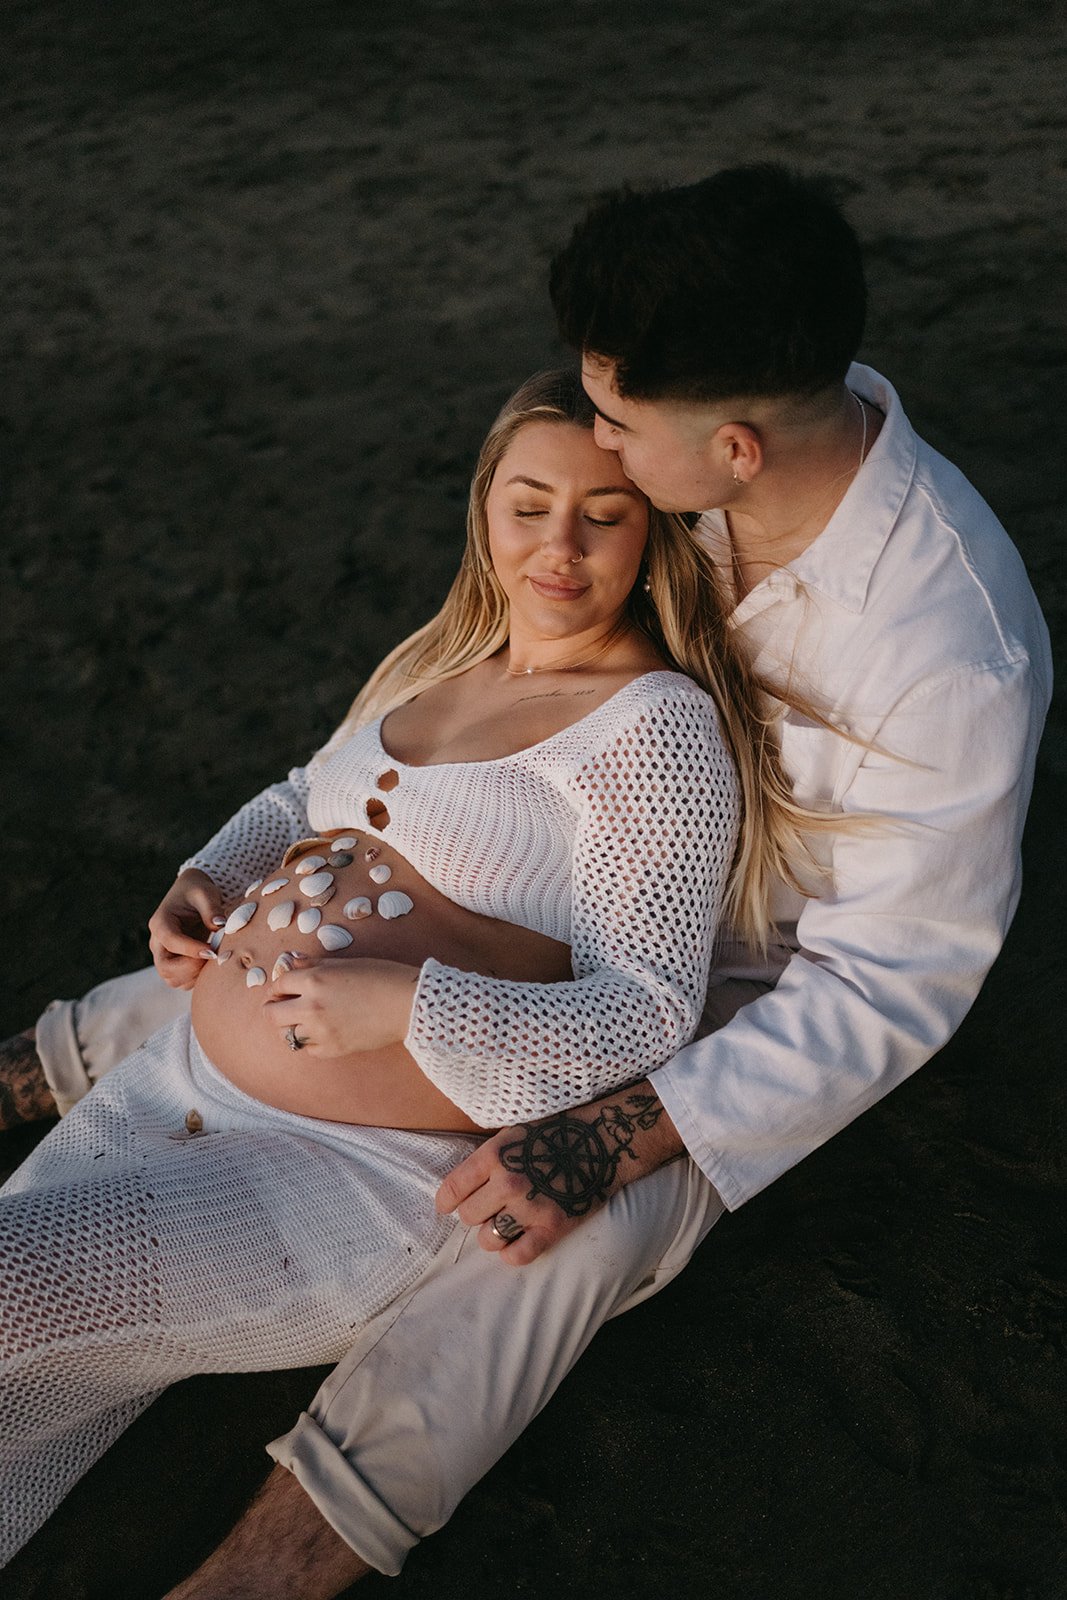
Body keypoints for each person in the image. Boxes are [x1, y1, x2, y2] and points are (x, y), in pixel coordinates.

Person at [2, 165, 1051, 1598]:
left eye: (613, 423)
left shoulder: (947, 649)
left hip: (742, 996)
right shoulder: (734, 420)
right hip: (546, 899)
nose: (594, 440)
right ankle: (63, 1055)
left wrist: (611, 1134)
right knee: (338, 916)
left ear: (730, 451)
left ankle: (273, 1563)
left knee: (531, 1252)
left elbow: (890, 981)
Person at [1, 366, 813, 1567]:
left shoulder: (652, 729)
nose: (559, 542)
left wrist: (408, 1003)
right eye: (528, 502)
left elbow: (646, 1011)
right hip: (173, 1090)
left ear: (652, 533)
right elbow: (299, 796)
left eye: (603, 512)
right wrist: (211, 876)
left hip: (338, 1183)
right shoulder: (440, 658)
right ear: (486, 503)